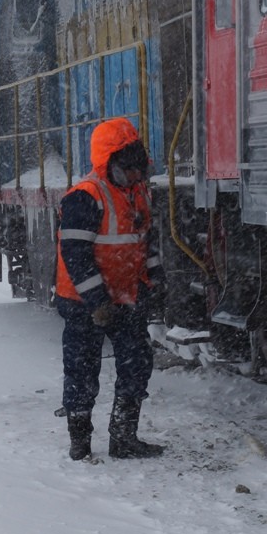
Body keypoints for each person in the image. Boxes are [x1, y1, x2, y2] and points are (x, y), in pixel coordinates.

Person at [55, 118, 165, 460]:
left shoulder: (139, 194)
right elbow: (75, 257)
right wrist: (98, 302)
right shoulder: (84, 197)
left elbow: (145, 243)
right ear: (108, 163)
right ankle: (79, 439)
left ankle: (123, 436)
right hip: (84, 303)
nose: (135, 177)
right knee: (81, 369)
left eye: (139, 170)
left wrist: (156, 282)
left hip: (127, 298)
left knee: (136, 363)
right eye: (128, 170)